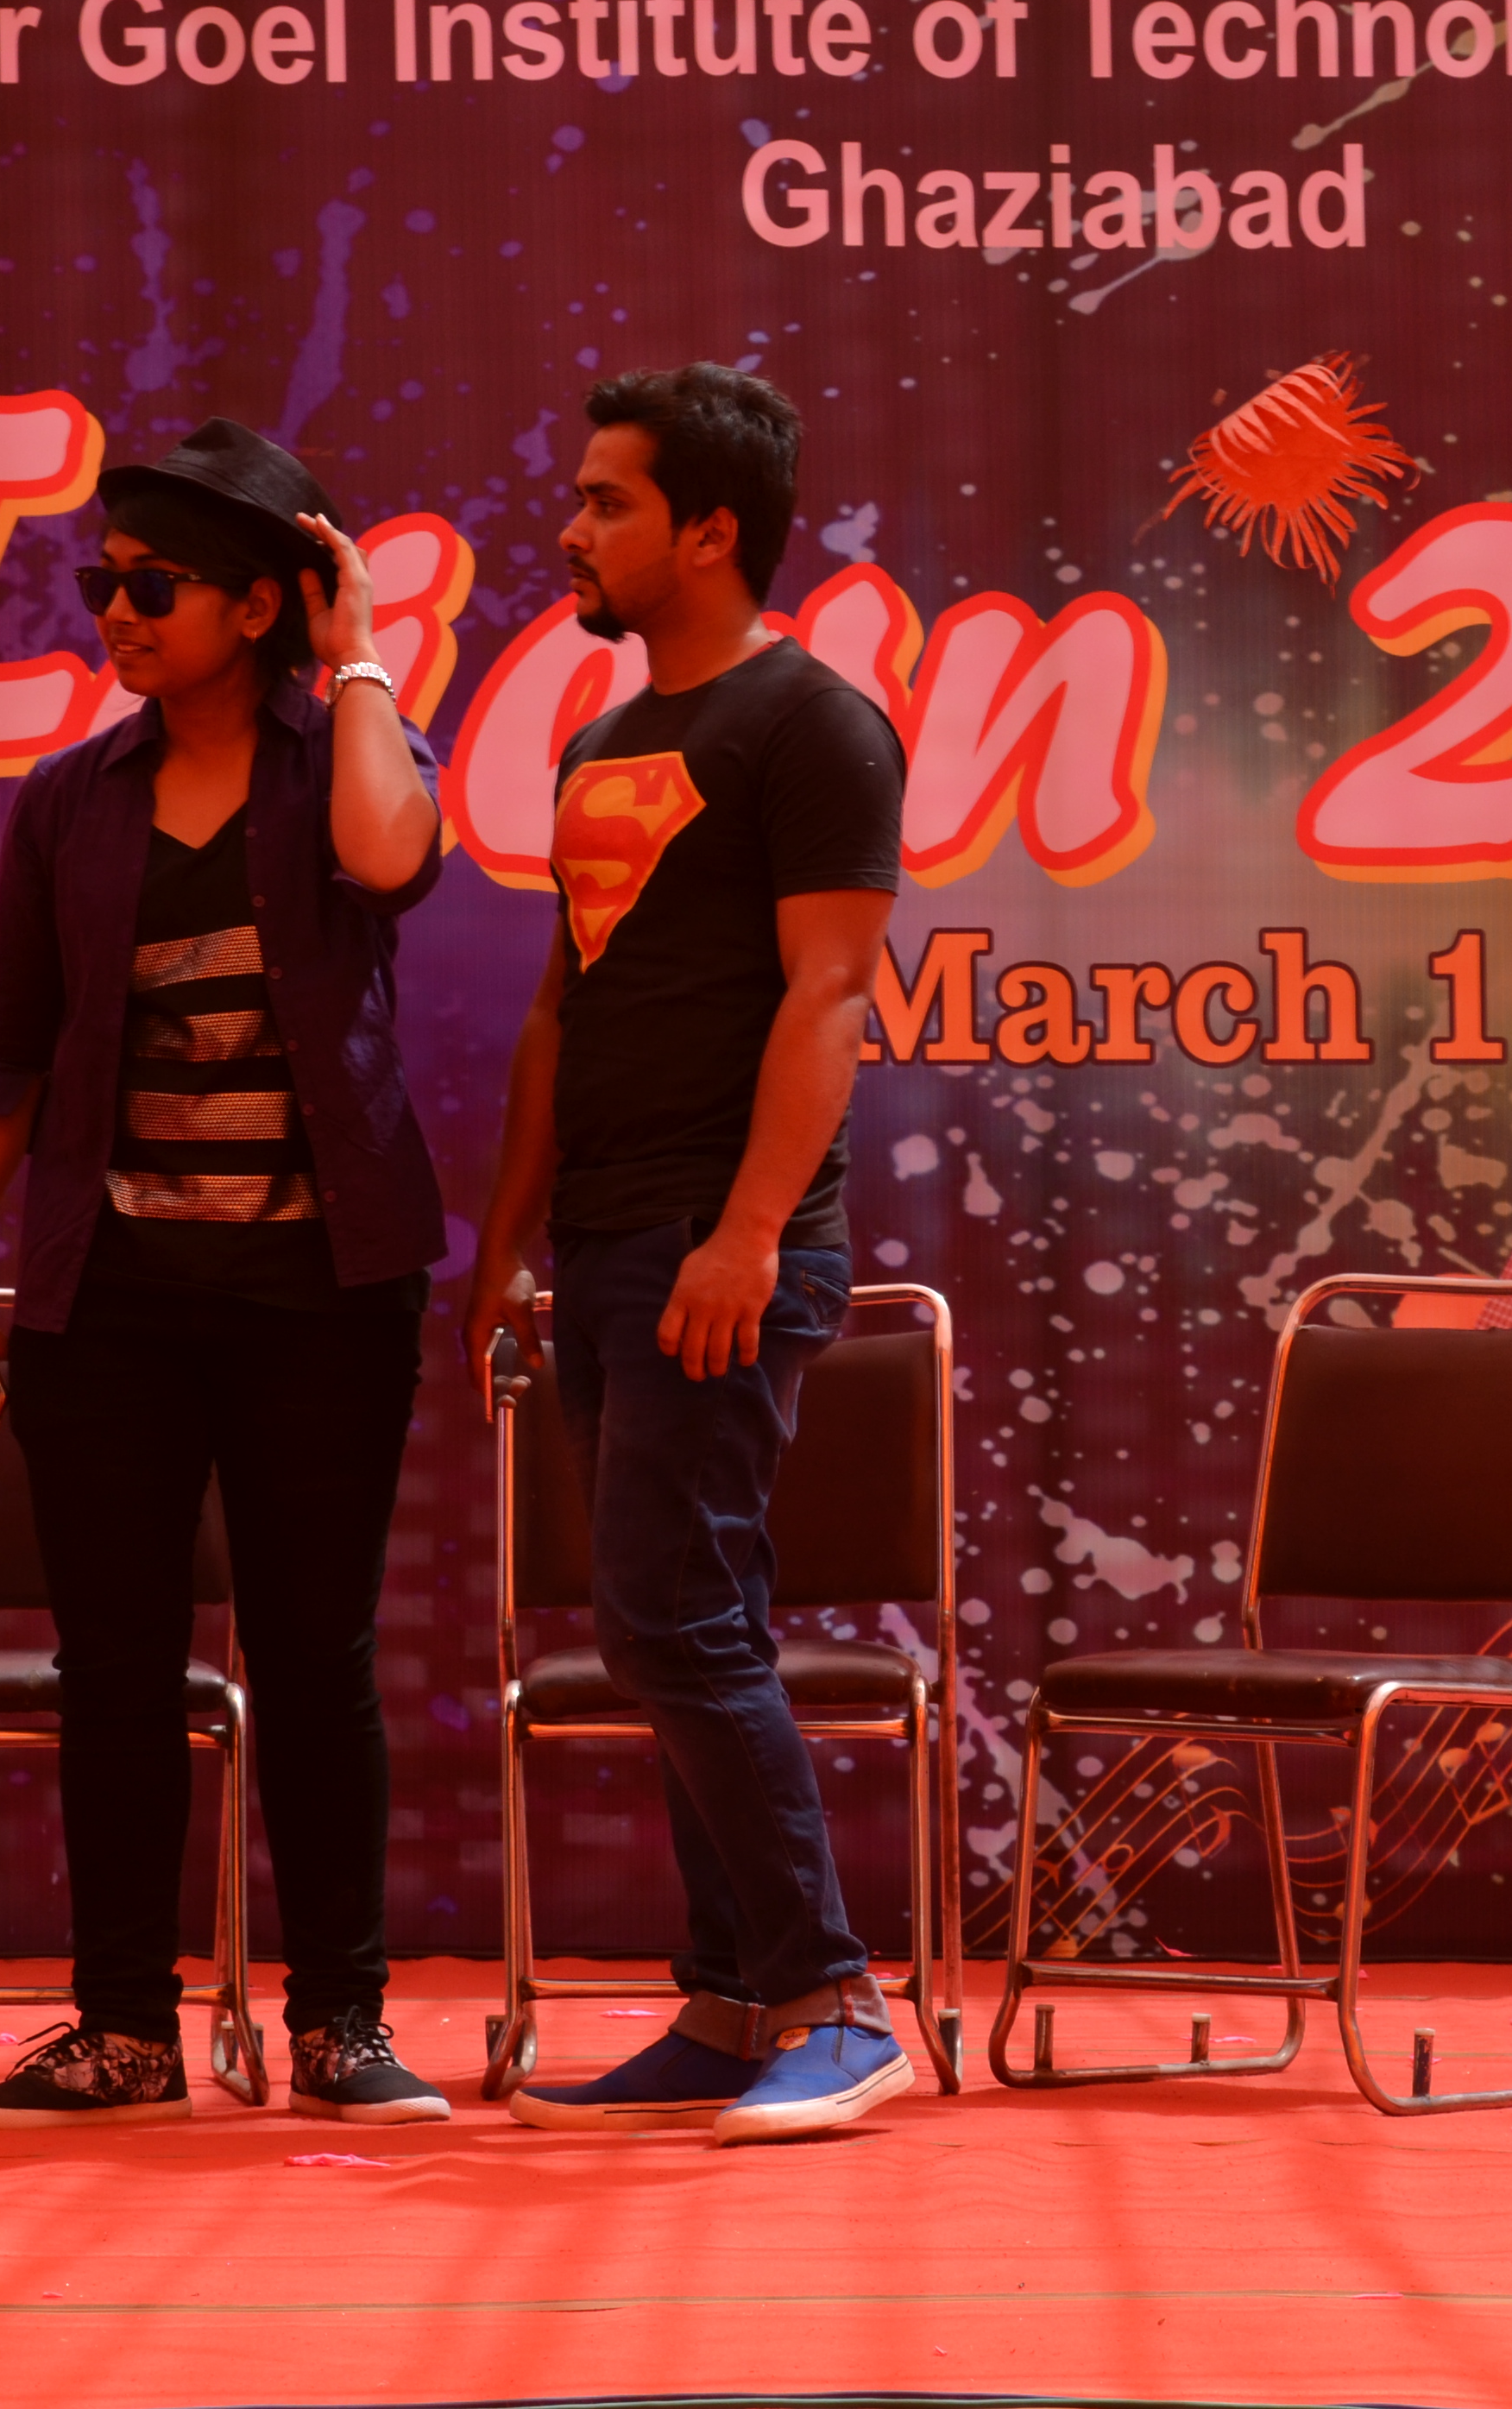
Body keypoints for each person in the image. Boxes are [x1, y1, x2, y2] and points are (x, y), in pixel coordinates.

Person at [0, 419, 456, 2130]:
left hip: (324, 1294)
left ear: (254, 604)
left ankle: (343, 2023)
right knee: (116, 1666)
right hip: (113, 1304)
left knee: (316, 1655)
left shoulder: (348, 754)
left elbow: (392, 862)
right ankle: (125, 2032)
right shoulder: (71, 801)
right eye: (105, 583)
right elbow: (5, 1054)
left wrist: (357, 652)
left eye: (152, 587)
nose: (116, 613)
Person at [466, 364, 916, 2145]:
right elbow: (559, 1017)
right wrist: (507, 1247)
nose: (569, 528)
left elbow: (831, 994)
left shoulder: (815, 726)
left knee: (677, 1619)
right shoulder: (600, 750)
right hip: (601, 1245)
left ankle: (834, 2001)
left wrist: (747, 1231)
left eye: (607, 501)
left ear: (709, 531)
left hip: (720, 1247)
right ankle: (732, 2008)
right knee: (662, 1628)